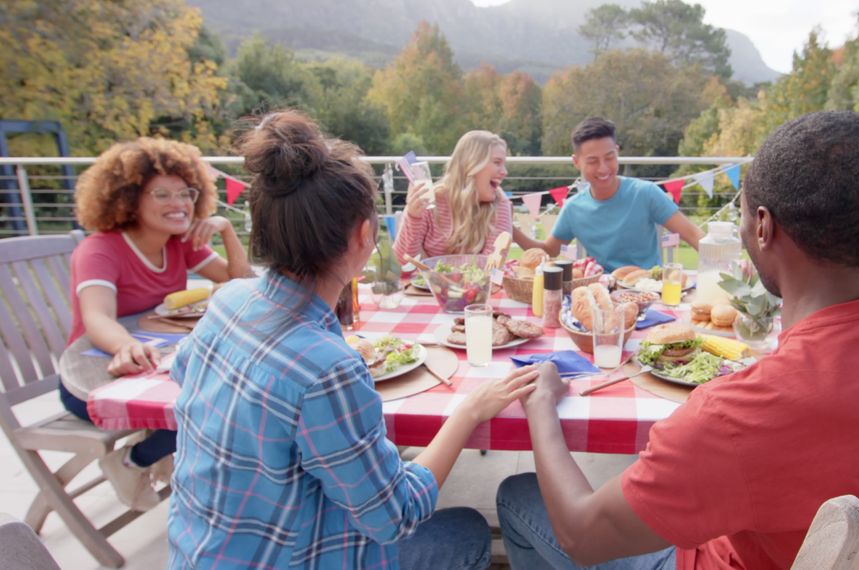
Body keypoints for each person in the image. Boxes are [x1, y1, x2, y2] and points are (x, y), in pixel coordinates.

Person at [496, 111, 859, 569]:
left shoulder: (734, 415)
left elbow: (582, 535)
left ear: (764, 226)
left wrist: (541, 406)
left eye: (746, 214)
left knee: (517, 496)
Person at [167, 111, 540, 569]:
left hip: (200, 555)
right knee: (465, 528)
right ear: (364, 235)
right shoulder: (328, 367)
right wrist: (467, 413)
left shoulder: (228, 301)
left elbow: (181, 370)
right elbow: (396, 515)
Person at [67, 137, 251, 511]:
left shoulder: (178, 242)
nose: (179, 204)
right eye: (162, 195)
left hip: (159, 364)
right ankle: (135, 460)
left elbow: (241, 286)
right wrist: (124, 346)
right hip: (97, 377)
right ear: (128, 197)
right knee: (216, 403)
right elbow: (97, 316)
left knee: (236, 389)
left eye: (185, 193)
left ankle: (146, 458)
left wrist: (227, 231)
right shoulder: (100, 249)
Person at [513, 117, 704, 272]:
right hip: (601, 293)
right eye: (593, 161)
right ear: (576, 162)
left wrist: (720, 268)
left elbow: (693, 234)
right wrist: (510, 230)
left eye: (609, 158)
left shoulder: (645, 193)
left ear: (617, 152)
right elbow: (548, 251)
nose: (603, 168)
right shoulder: (573, 208)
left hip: (649, 291)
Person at [392, 130, 513, 263]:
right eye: (497, 162)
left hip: (474, 284)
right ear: (470, 165)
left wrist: (436, 269)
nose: (504, 172)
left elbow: (492, 266)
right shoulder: (429, 201)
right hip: (424, 284)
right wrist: (413, 217)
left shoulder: (500, 204)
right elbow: (402, 263)